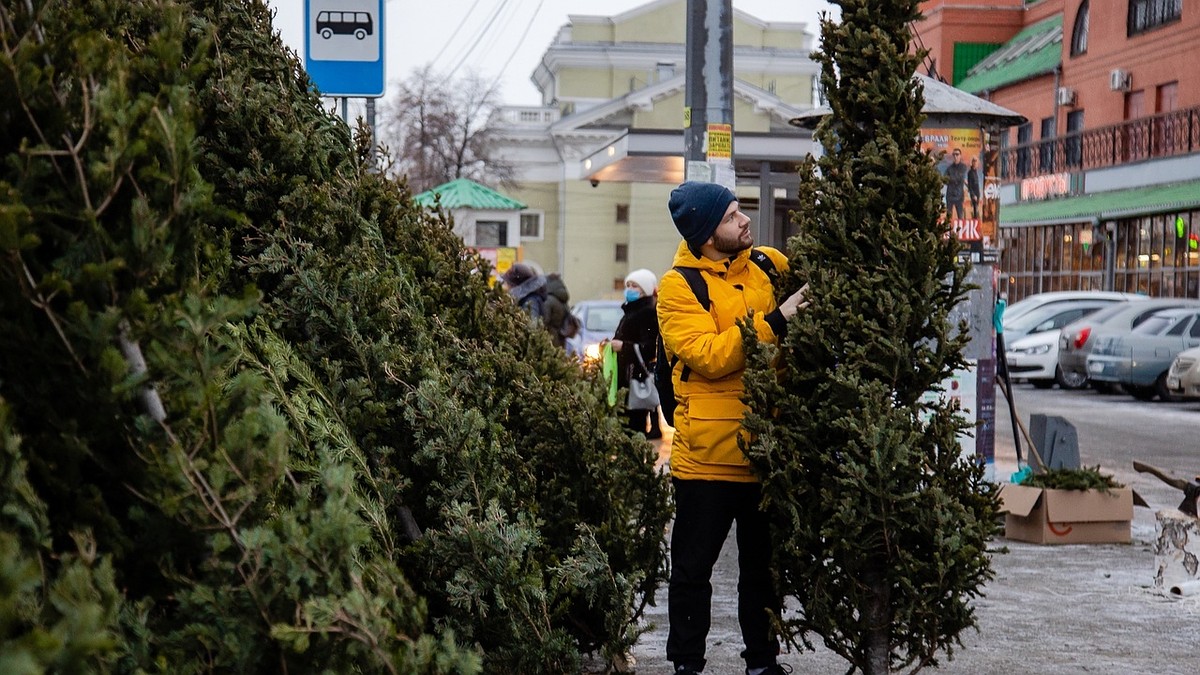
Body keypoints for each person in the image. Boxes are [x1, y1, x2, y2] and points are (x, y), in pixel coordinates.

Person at [659, 181, 808, 675]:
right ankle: (686, 664)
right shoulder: (678, 286)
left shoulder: (767, 264)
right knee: (692, 572)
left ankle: (762, 664)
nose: (743, 220)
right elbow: (707, 356)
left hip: (768, 451)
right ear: (705, 235)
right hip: (707, 459)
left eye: (739, 209)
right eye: (729, 217)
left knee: (763, 573)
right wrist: (776, 323)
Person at [610, 268, 662, 439]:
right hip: (626, 378)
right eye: (628, 285)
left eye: (635, 286)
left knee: (633, 428)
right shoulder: (631, 311)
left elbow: (649, 348)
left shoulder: (646, 313)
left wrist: (624, 347)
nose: (630, 289)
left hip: (635, 379)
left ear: (645, 290)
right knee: (626, 427)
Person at [544, 272, 572, 349]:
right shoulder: (562, 300)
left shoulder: (549, 300)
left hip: (551, 337)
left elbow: (545, 320)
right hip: (562, 337)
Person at [944, 148, 968, 221]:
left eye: (957, 154)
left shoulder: (963, 167)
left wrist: (951, 179)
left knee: (960, 218)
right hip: (950, 196)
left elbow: (960, 177)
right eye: (954, 154)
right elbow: (944, 179)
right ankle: (949, 232)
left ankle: (960, 232)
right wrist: (954, 179)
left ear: (960, 156)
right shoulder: (949, 168)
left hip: (959, 196)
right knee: (948, 219)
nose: (955, 156)